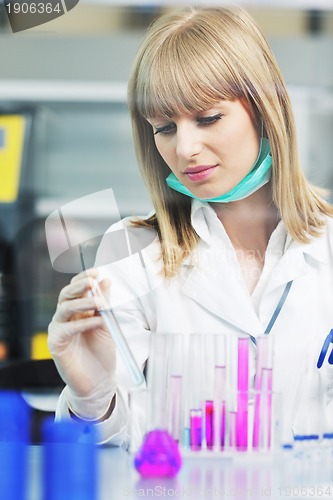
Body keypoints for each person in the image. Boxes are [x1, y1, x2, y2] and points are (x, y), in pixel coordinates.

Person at [48, 6, 333, 447]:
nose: (185, 148)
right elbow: (107, 459)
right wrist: (94, 396)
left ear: (265, 111)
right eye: (164, 127)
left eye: (207, 118)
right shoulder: (131, 255)